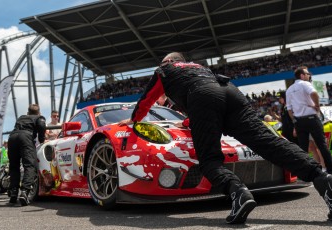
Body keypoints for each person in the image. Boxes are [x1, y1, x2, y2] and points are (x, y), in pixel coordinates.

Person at [118, 52, 332, 224]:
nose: (161, 63)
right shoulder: (200, 67)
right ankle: (321, 178)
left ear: (171, 61)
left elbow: (147, 99)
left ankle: (238, 192)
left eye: (164, 60)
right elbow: (207, 108)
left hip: (203, 97)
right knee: (269, 143)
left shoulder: (165, 70)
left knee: (209, 160)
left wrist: (134, 119)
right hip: (229, 92)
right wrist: (188, 122)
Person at [286, 66, 332, 174]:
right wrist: (317, 105)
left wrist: (295, 121)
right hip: (311, 119)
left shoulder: (289, 89)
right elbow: (314, 93)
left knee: (303, 148)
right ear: (302, 75)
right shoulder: (305, 84)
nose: (309, 75)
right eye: (307, 74)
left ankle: (306, 172)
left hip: (299, 121)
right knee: (322, 145)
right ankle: (330, 169)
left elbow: (289, 109)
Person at [7, 104, 46, 206]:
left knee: (14, 166)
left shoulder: (21, 117)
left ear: (28, 112)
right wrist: (41, 139)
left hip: (12, 137)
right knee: (29, 165)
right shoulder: (39, 117)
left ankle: (14, 193)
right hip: (26, 137)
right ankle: (24, 192)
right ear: (38, 112)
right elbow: (42, 126)